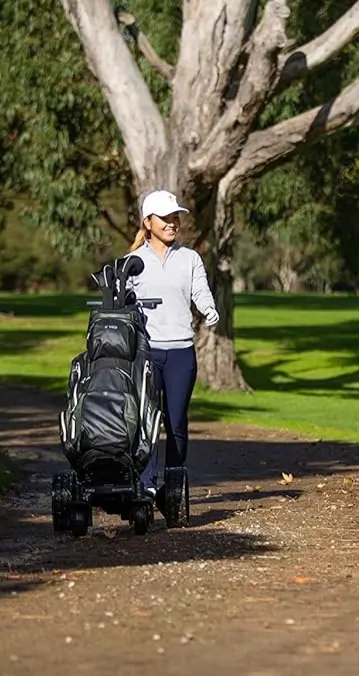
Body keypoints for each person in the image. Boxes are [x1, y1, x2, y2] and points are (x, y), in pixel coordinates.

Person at [126, 189, 220, 500]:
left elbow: (200, 291)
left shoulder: (189, 258)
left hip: (181, 352)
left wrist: (208, 309)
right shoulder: (132, 262)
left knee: (176, 420)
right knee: (147, 419)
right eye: (165, 218)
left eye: (175, 217)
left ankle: (175, 486)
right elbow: (119, 303)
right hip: (146, 352)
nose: (172, 223)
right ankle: (147, 482)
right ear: (147, 222)